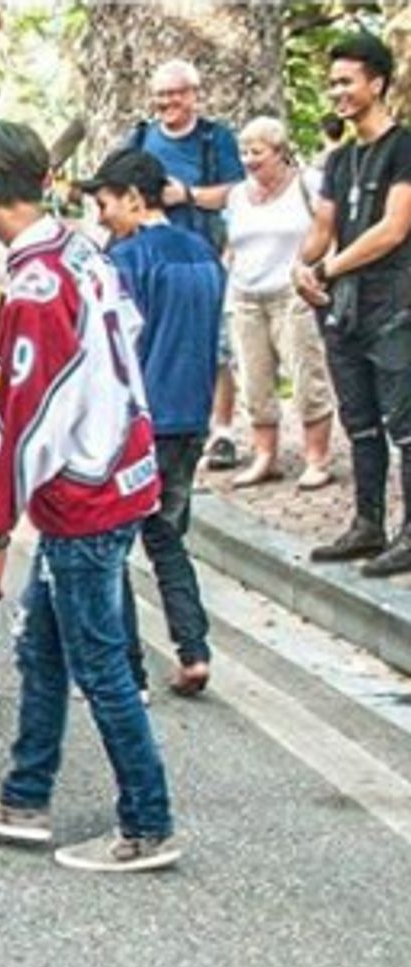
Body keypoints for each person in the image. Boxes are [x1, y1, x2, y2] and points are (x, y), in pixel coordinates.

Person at [0, 121, 179, 873]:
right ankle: (24, 794)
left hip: (85, 493)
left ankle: (147, 824)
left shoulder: (36, 283)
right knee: (43, 650)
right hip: (117, 468)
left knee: (100, 665)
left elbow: (27, 419)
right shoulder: (81, 248)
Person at [84, 148, 224, 699]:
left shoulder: (127, 261)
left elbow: (116, 346)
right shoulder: (204, 252)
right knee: (167, 536)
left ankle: (130, 672)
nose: (101, 216)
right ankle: (193, 651)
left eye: (105, 203)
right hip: (193, 413)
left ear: (134, 199)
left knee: (112, 541)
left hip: (142, 417)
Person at [295, 33, 411, 578]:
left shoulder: (404, 147)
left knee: (405, 423)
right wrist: (302, 264)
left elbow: (393, 228)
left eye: (347, 81)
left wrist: (327, 268)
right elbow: (324, 225)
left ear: (377, 83)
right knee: (359, 420)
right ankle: (368, 524)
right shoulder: (340, 159)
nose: (336, 91)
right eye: (333, 81)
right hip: (347, 308)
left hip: (395, 304)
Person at [122, 59, 246, 471]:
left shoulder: (216, 139)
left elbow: (236, 192)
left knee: (216, 343)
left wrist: (187, 195)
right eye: (160, 94)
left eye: (175, 93)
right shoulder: (140, 138)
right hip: (149, 255)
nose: (167, 102)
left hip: (201, 253)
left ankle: (222, 430)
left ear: (193, 94)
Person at [225, 116, 336, 491]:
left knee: (307, 377)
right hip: (246, 296)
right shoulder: (238, 194)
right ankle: (264, 456)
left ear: (279, 151)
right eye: (243, 152)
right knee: (254, 382)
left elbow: (329, 229)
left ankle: (317, 458)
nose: (249, 159)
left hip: (293, 294)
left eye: (257, 151)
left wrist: (316, 271)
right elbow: (233, 244)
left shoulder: (309, 184)